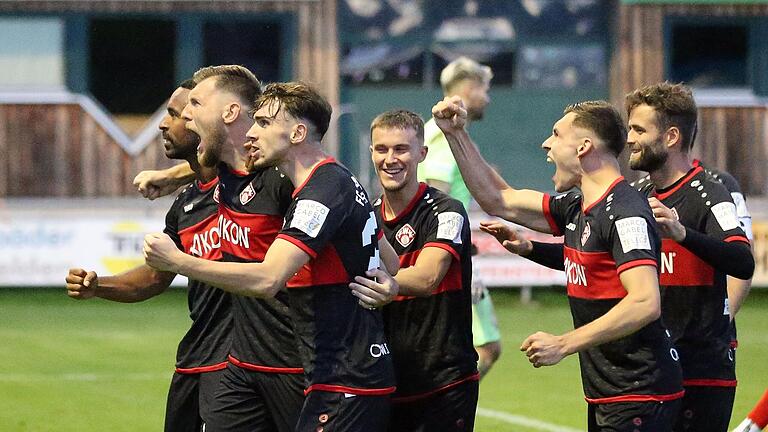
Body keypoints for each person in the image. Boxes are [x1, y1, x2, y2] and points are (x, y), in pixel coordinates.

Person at [143, 81, 399, 432]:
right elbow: (391, 260)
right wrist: (391, 281)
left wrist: (178, 262)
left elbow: (267, 278)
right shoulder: (330, 181)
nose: (253, 131)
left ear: (296, 133)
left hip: (346, 374)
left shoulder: (319, 192)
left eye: (263, 123)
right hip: (323, 371)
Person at [431, 96, 684, 431]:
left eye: (556, 134)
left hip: (641, 394)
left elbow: (645, 301)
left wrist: (563, 343)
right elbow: (499, 199)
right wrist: (455, 134)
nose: (546, 143)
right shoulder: (579, 205)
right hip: (612, 393)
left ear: (583, 147)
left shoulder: (625, 212)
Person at [136, 65, 306, 432]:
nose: (184, 117)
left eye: (194, 104)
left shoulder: (285, 177)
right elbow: (219, 161)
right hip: (240, 364)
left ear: (229, 112)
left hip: (299, 360)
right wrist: (173, 175)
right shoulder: (218, 182)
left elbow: (268, 279)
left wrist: (180, 261)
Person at [65, 79, 232, 432]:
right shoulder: (186, 205)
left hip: (240, 363)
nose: (163, 123)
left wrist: (172, 173)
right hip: (195, 356)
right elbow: (156, 277)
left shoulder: (251, 187)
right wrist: (100, 287)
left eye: (176, 114)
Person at [625, 82, 754, 432]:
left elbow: (742, 261)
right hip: (649, 366)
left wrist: (683, 234)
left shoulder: (714, 190)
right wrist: (531, 248)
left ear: (670, 137)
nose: (629, 139)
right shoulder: (634, 195)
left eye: (638, 129)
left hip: (701, 370)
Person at [349, 109, 478, 431]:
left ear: (421, 153)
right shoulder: (364, 216)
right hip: (383, 380)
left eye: (401, 149)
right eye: (382, 149)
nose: (390, 159)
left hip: (443, 381)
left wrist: (386, 285)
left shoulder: (447, 211)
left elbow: (427, 276)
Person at [417, 56, 501, 378]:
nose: (488, 99)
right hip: (446, 257)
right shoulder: (443, 137)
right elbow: (437, 192)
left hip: (443, 252)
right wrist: (454, 251)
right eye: (485, 89)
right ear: (468, 88)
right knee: (484, 348)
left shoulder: (435, 133)